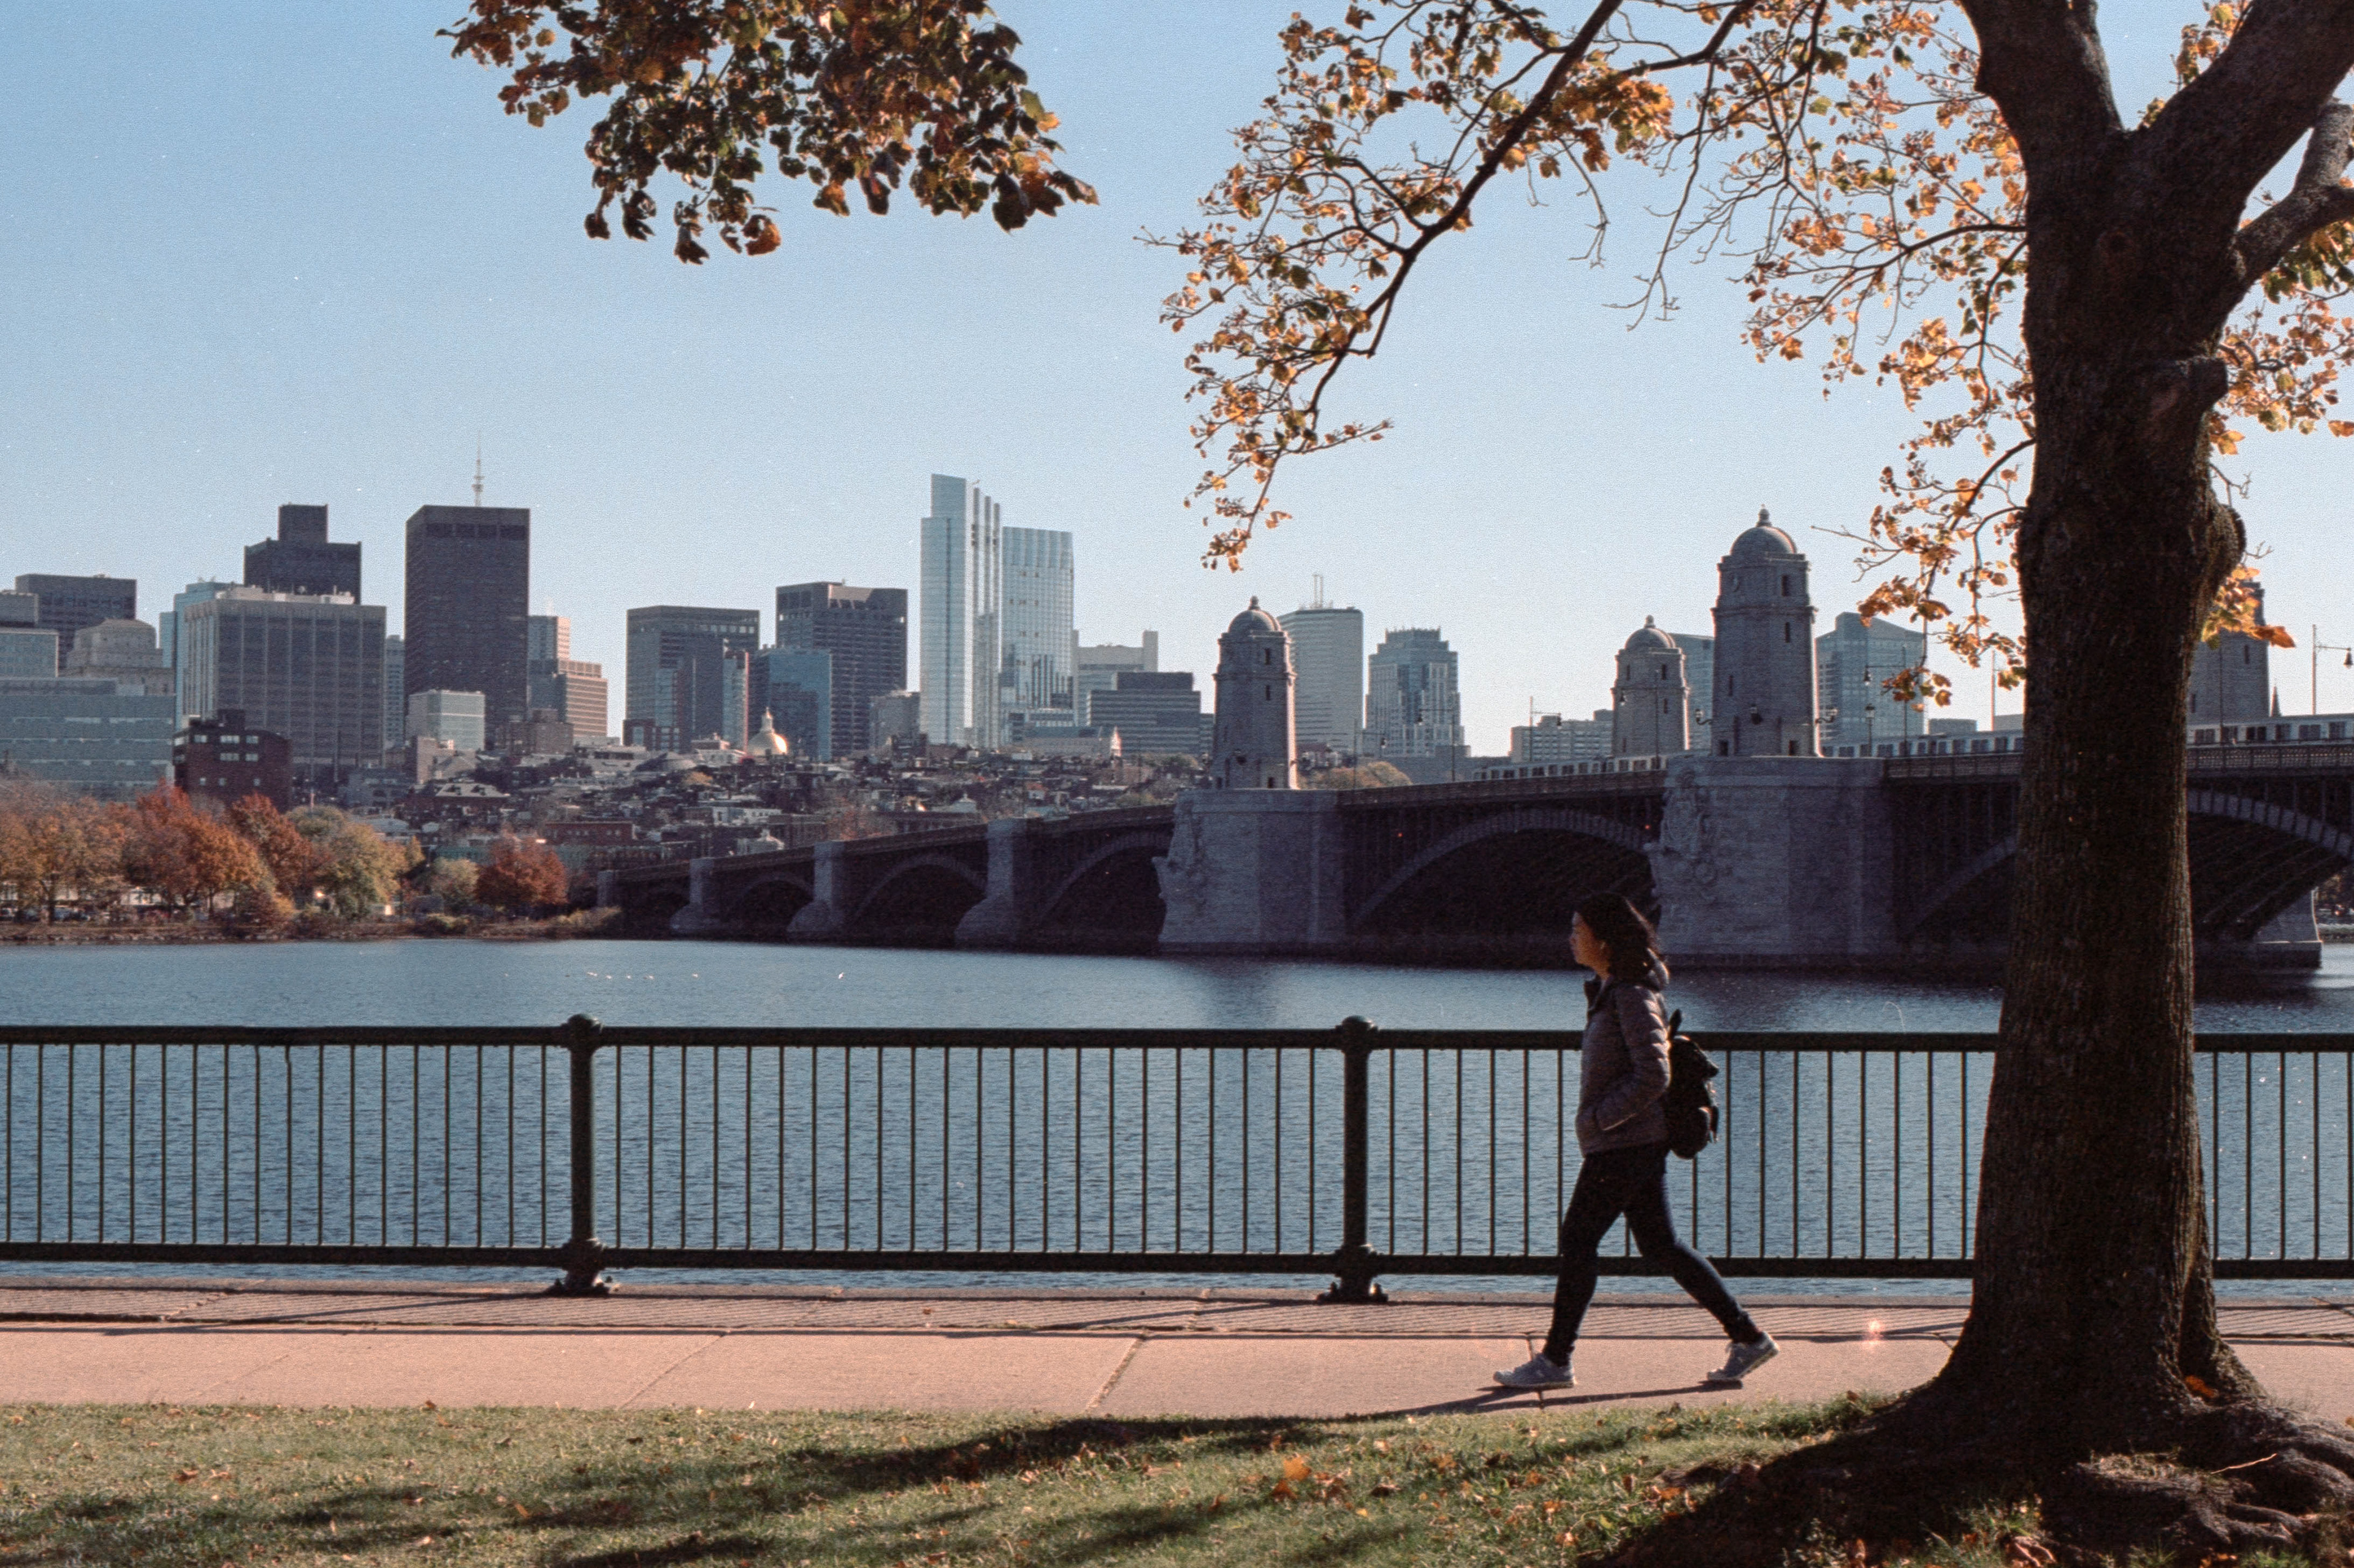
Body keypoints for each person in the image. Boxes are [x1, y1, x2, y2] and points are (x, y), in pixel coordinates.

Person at [1495, 892, 1778, 1390]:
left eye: (1578, 929)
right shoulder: (1614, 988)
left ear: (1602, 941)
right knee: (1662, 1245)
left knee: (1579, 1241)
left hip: (1625, 1142)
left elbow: (1654, 1073)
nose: (1570, 937)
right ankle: (1748, 1336)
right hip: (1632, 1141)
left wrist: (1603, 1118)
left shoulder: (1631, 993)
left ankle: (1556, 1361)